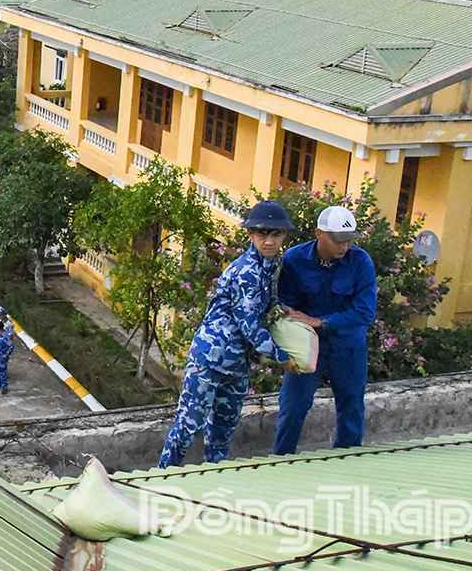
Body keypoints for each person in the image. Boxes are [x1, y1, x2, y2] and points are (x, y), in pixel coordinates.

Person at [159, 201, 300, 468]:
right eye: (262, 234)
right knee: (189, 424)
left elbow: (263, 301)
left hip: (236, 362)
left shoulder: (269, 265)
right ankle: (162, 476)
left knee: (223, 427)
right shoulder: (246, 271)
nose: (269, 241)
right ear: (250, 235)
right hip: (211, 357)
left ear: (283, 236)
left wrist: (278, 307)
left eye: (275, 234)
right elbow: (249, 324)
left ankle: (214, 473)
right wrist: (282, 358)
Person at [273, 205, 377, 455]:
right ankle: (281, 460)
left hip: (347, 345)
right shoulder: (295, 259)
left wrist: (320, 321)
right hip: (308, 346)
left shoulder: (361, 262)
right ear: (320, 234)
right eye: (339, 240)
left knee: (351, 405)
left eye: (350, 240)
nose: (345, 246)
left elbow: (365, 312)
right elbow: (287, 303)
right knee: (293, 406)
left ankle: (347, 457)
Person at [0, 320, 14, 394]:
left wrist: (6, 354)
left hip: (2, 358)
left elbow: (11, 346)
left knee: (2, 372)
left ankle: (4, 387)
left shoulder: (5, 336)